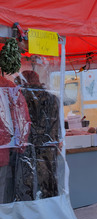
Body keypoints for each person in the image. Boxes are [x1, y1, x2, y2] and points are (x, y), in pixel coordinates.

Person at [14, 70, 61, 200]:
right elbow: (57, 126)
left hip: (28, 148)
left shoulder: (21, 98)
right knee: (49, 185)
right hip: (48, 148)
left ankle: (30, 215)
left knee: (27, 186)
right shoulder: (53, 99)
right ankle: (51, 213)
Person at [0, 74, 30, 203]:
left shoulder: (8, 87)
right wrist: (20, 145)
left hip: (4, 148)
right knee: (2, 192)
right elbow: (21, 118)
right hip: (4, 150)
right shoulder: (8, 87)